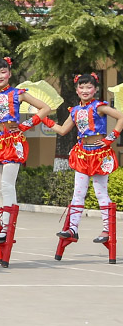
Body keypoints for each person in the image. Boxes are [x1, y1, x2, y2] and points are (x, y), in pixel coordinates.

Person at [0, 56, 53, 243]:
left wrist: (25, 125)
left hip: (12, 141)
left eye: (3, 71)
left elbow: (45, 108)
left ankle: (7, 227)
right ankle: (0, 225)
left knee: (7, 185)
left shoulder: (18, 93)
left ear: (10, 73)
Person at [50, 73, 123, 244]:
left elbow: (121, 117)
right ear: (76, 90)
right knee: (78, 193)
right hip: (83, 154)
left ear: (95, 89)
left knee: (100, 193)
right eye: (81, 87)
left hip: (99, 154)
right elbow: (62, 130)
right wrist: (43, 119)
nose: (85, 90)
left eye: (89, 87)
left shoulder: (99, 106)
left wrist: (110, 138)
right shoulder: (75, 111)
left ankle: (107, 230)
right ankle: (72, 229)